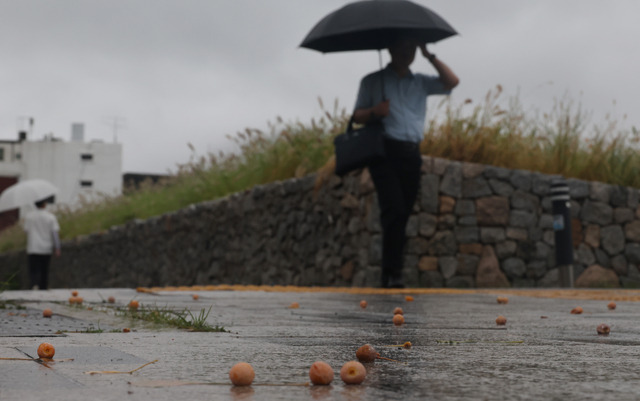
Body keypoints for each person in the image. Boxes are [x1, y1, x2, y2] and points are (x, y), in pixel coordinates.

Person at [353, 35, 459, 288]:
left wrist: (429, 56)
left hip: (411, 153)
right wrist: (374, 112)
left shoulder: (421, 82)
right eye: (401, 45)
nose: (406, 51)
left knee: (403, 213)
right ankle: (393, 273)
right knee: (394, 209)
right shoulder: (372, 81)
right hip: (384, 152)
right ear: (389, 47)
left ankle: (391, 271)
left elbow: (452, 81)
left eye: (411, 46)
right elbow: (356, 115)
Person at [23, 199, 61, 289]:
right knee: (45, 269)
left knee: (33, 269)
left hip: (33, 247)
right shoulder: (50, 217)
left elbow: (26, 231)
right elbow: (55, 233)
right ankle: (43, 287)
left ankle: (34, 284)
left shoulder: (29, 216)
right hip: (46, 247)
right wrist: (57, 247)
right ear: (44, 204)